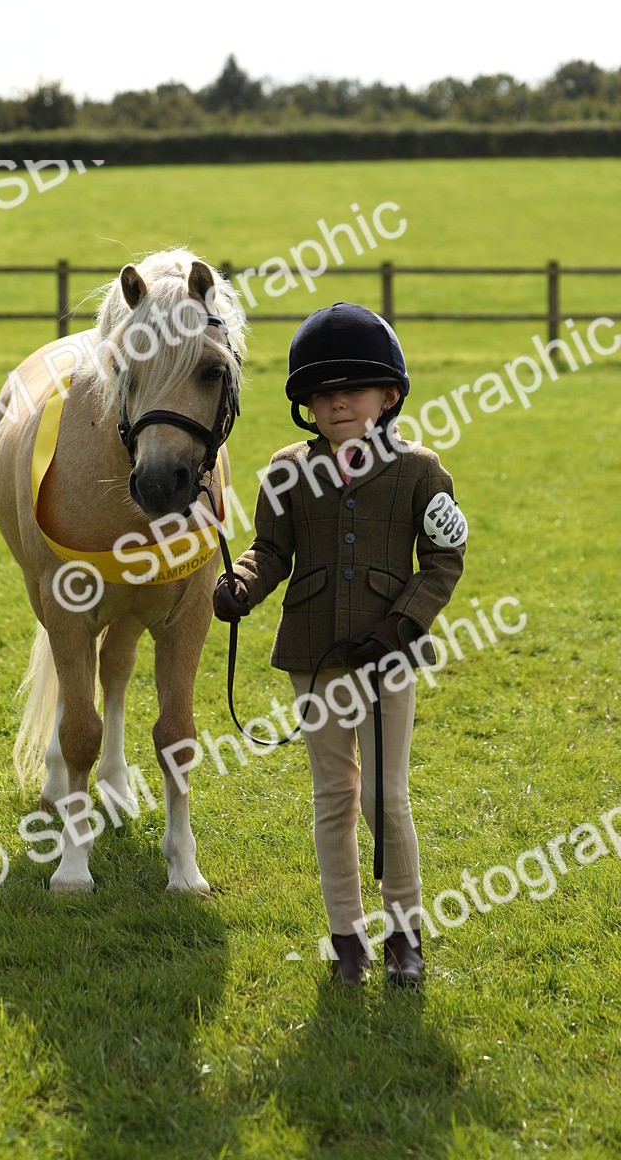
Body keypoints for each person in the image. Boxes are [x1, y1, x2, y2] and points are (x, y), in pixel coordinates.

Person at [213, 303, 466, 987]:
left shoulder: (421, 471)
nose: (338, 403)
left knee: (386, 798)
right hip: (315, 656)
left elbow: (445, 557)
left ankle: (405, 934)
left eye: (353, 390)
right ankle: (346, 936)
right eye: (323, 394)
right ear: (307, 405)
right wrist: (238, 586)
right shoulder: (287, 470)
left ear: (389, 396)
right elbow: (271, 551)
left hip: (388, 659)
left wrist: (401, 625)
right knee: (333, 795)